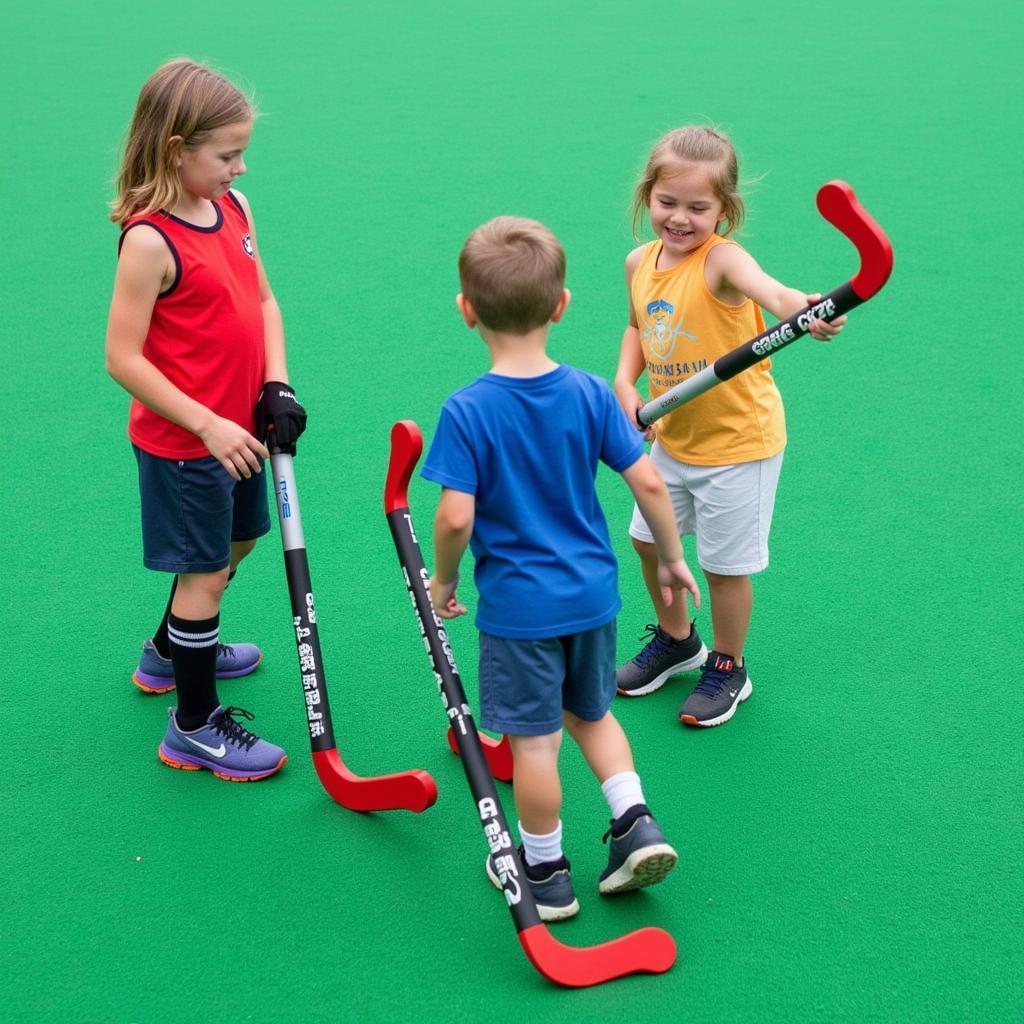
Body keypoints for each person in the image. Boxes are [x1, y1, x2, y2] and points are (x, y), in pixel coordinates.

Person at [421, 216, 701, 920]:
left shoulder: (468, 410)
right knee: (594, 714)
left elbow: (455, 517)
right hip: (592, 597)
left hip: (522, 611)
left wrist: (445, 578)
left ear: (466, 311)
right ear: (561, 305)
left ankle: (544, 873)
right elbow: (647, 483)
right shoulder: (588, 393)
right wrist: (670, 558)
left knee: (537, 743)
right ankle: (635, 820)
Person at [105, 59, 307, 781]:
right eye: (226, 155)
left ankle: (171, 650)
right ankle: (191, 725)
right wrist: (209, 426)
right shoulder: (150, 241)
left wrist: (275, 385)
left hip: (240, 429)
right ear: (175, 148)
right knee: (208, 570)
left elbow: (262, 303)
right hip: (187, 445)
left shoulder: (237, 209)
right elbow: (123, 358)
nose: (239, 167)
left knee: (241, 541)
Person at [613, 126, 845, 727]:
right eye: (668, 203)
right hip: (672, 438)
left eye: (699, 207)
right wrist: (623, 384)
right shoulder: (640, 261)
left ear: (725, 210)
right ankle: (677, 639)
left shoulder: (722, 259)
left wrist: (803, 308)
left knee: (722, 566)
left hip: (738, 445)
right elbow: (640, 327)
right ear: (648, 197)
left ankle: (727, 665)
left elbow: (770, 290)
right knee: (646, 542)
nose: (681, 219)